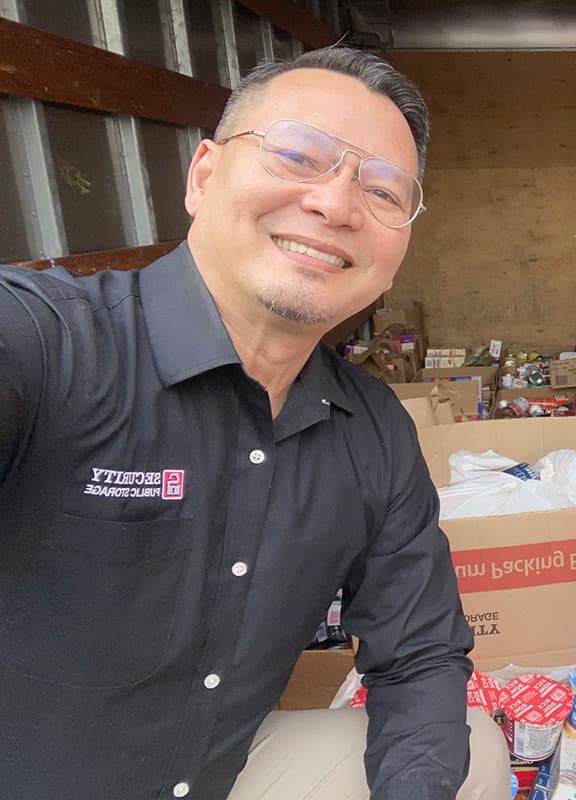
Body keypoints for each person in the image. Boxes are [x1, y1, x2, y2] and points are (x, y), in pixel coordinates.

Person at [0, 47, 510, 799]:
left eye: (381, 190)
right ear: (203, 176)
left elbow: (420, 656)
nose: (336, 205)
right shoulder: (52, 345)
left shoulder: (369, 428)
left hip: (212, 772)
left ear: (396, 252)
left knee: (476, 753)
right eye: (299, 154)